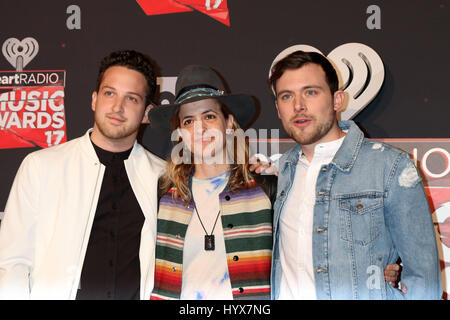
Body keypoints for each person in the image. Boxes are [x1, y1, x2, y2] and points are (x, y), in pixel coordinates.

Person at [268, 50, 442, 299]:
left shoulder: (390, 167)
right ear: (278, 108)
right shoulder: (280, 173)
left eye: (311, 92)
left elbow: (424, 280)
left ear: (337, 100)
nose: (298, 106)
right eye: (287, 96)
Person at [0, 50, 166, 299]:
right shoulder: (41, 167)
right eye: (110, 93)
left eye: (131, 98)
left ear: (145, 113)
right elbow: (12, 262)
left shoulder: (163, 177)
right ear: (94, 99)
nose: (117, 107)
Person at [147, 65, 275, 300]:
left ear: (228, 124)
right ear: (180, 133)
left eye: (209, 116)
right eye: (188, 121)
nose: (200, 128)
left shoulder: (264, 187)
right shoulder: (166, 193)